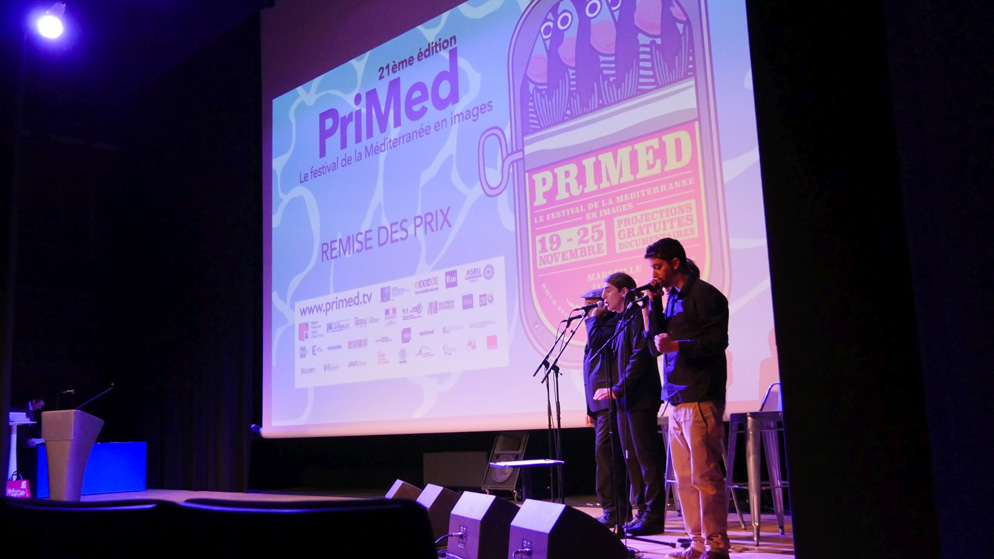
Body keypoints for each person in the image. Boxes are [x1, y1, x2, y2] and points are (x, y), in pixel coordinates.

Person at [645, 238, 730, 559]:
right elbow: (655, 345)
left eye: (658, 266)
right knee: (684, 480)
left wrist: (678, 345)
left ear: (675, 263)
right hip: (677, 398)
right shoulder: (670, 299)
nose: (654, 273)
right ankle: (697, 543)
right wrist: (654, 304)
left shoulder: (705, 295)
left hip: (701, 396)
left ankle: (716, 546)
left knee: (705, 476)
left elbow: (717, 342)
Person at [593, 272, 667, 536]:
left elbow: (641, 356)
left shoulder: (637, 314)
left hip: (641, 397)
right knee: (632, 460)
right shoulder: (622, 319)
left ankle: (653, 517)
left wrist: (617, 389)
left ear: (624, 291)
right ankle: (641, 513)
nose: (603, 295)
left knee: (646, 459)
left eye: (608, 290)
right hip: (626, 399)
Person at [579, 287, 627, 527]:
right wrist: (589, 408)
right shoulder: (596, 327)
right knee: (603, 456)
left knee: (607, 455)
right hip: (597, 403)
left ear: (602, 305)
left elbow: (599, 345)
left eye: (591, 304)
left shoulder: (610, 325)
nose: (586, 309)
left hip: (610, 400)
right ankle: (612, 509)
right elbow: (590, 371)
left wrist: (593, 320)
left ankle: (615, 511)